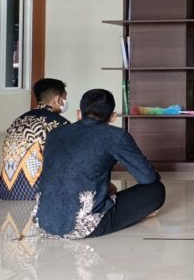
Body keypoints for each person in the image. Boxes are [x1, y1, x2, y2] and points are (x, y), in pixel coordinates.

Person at [35, 89, 165, 239]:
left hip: (43, 221)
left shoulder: (55, 134)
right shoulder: (115, 135)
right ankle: (138, 213)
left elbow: (70, 170)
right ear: (113, 117)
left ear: (79, 113)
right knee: (156, 190)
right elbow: (147, 178)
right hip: (83, 226)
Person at [0, 78, 70, 200]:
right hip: (38, 192)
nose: (65, 101)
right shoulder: (59, 124)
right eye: (64, 98)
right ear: (57, 99)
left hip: (4, 190)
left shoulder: (18, 121)